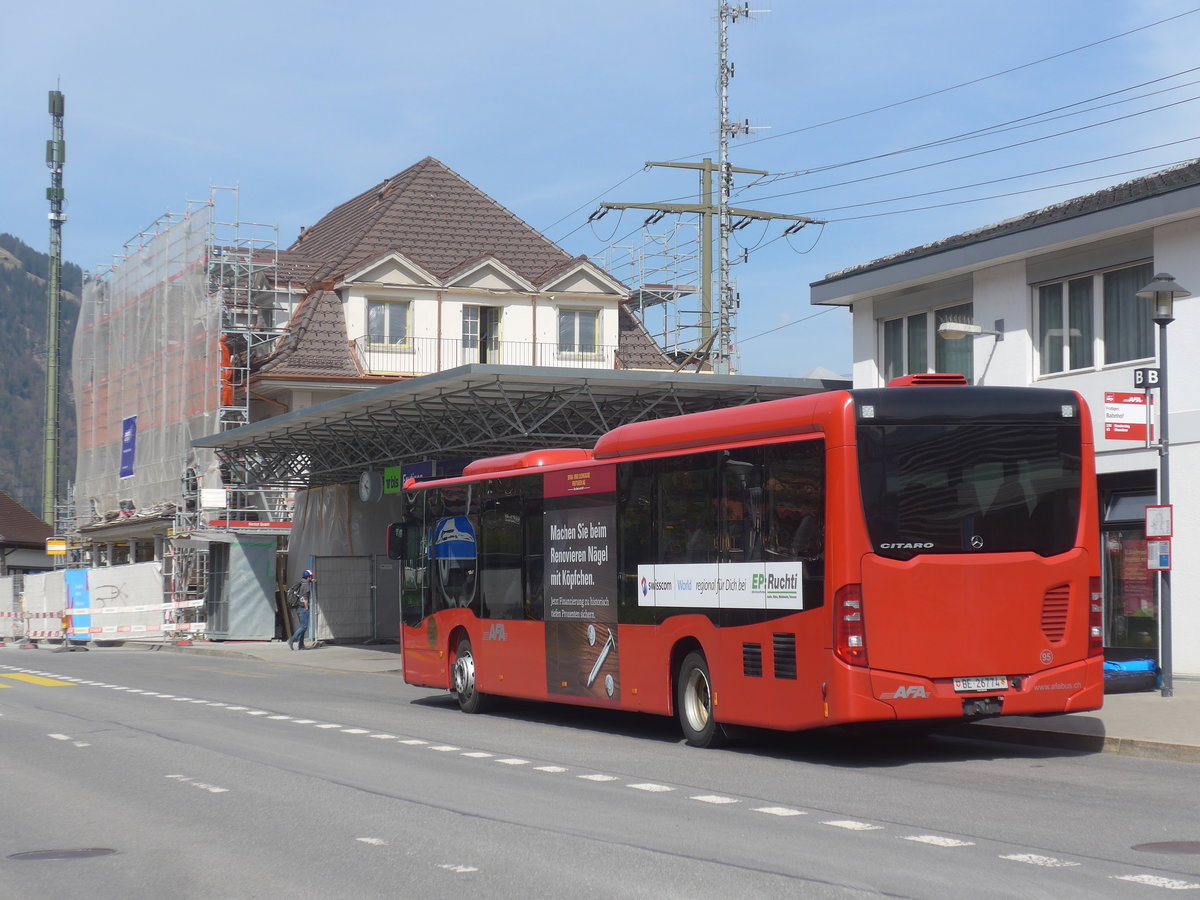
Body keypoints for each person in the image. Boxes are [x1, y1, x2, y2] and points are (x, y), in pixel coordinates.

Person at [287, 569, 315, 650]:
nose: (311, 578)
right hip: (303, 608)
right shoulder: (306, 586)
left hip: (298, 608)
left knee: (303, 626)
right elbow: (305, 599)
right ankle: (291, 640)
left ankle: (301, 645)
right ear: (308, 577)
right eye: (311, 577)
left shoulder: (301, 583)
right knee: (304, 627)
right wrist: (306, 608)